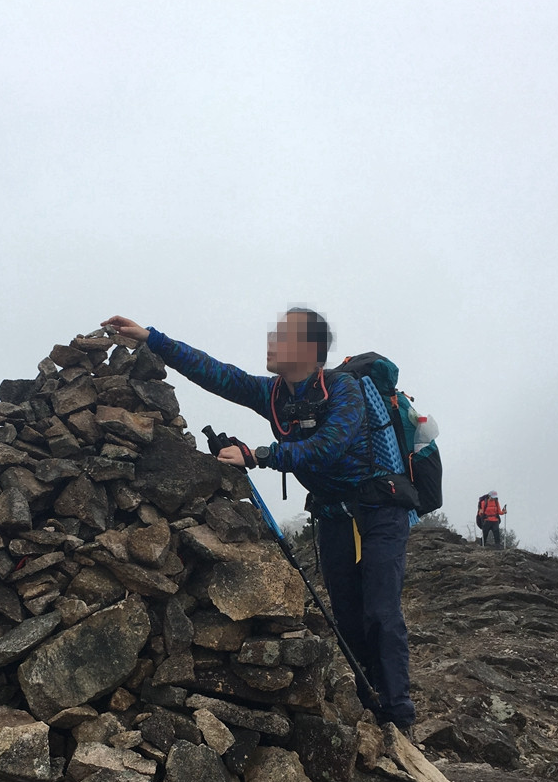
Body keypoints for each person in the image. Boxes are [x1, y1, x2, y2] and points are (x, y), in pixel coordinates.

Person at [100, 310, 417, 733]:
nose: (271, 340)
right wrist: (151, 338)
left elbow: (329, 445)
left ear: (308, 348)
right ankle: (372, 706)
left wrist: (261, 455)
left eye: (282, 334)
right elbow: (214, 372)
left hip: (379, 509)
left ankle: (399, 715)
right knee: (349, 616)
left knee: (380, 611)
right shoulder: (273, 394)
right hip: (333, 515)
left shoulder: (343, 388)